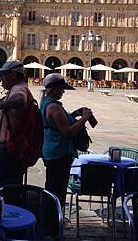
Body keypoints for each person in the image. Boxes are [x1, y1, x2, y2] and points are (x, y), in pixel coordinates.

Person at [41, 73, 93, 210]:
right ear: (52, 89)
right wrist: (84, 118)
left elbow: (58, 123)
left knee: (52, 186)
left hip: (50, 150)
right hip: (59, 152)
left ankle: (50, 220)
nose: (63, 91)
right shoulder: (54, 107)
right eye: (60, 88)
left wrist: (75, 113)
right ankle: (53, 223)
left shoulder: (46, 102)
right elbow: (67, 131)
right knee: (58, 190)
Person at [0, 60, 29, 186]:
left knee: (7, 188)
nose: (1, 78)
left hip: (10, 149)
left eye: (3, 74)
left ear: (13, 75)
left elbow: (20, 100)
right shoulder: (16, 89)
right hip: (12, 146)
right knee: (10, 187)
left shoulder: (18, 88)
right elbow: (10, 124)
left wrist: (0, 105)